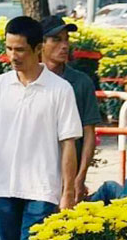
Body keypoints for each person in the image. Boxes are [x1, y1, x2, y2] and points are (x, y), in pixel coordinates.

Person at [0, 16, 83, 240]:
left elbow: (68, 144)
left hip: (42, 190)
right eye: (9, 48)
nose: (13, 56)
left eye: (20, 50)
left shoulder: (61, 89)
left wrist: (68, 192)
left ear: (38, 48)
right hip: (3, 186)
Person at [42, 15, 101, 204]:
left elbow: (89, 132)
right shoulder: (27, 79)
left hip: (68, 175)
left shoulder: (81, 82)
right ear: (39, 44)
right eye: (56, 39)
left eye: (66, 39)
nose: (65, 45)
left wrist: (80, 176)